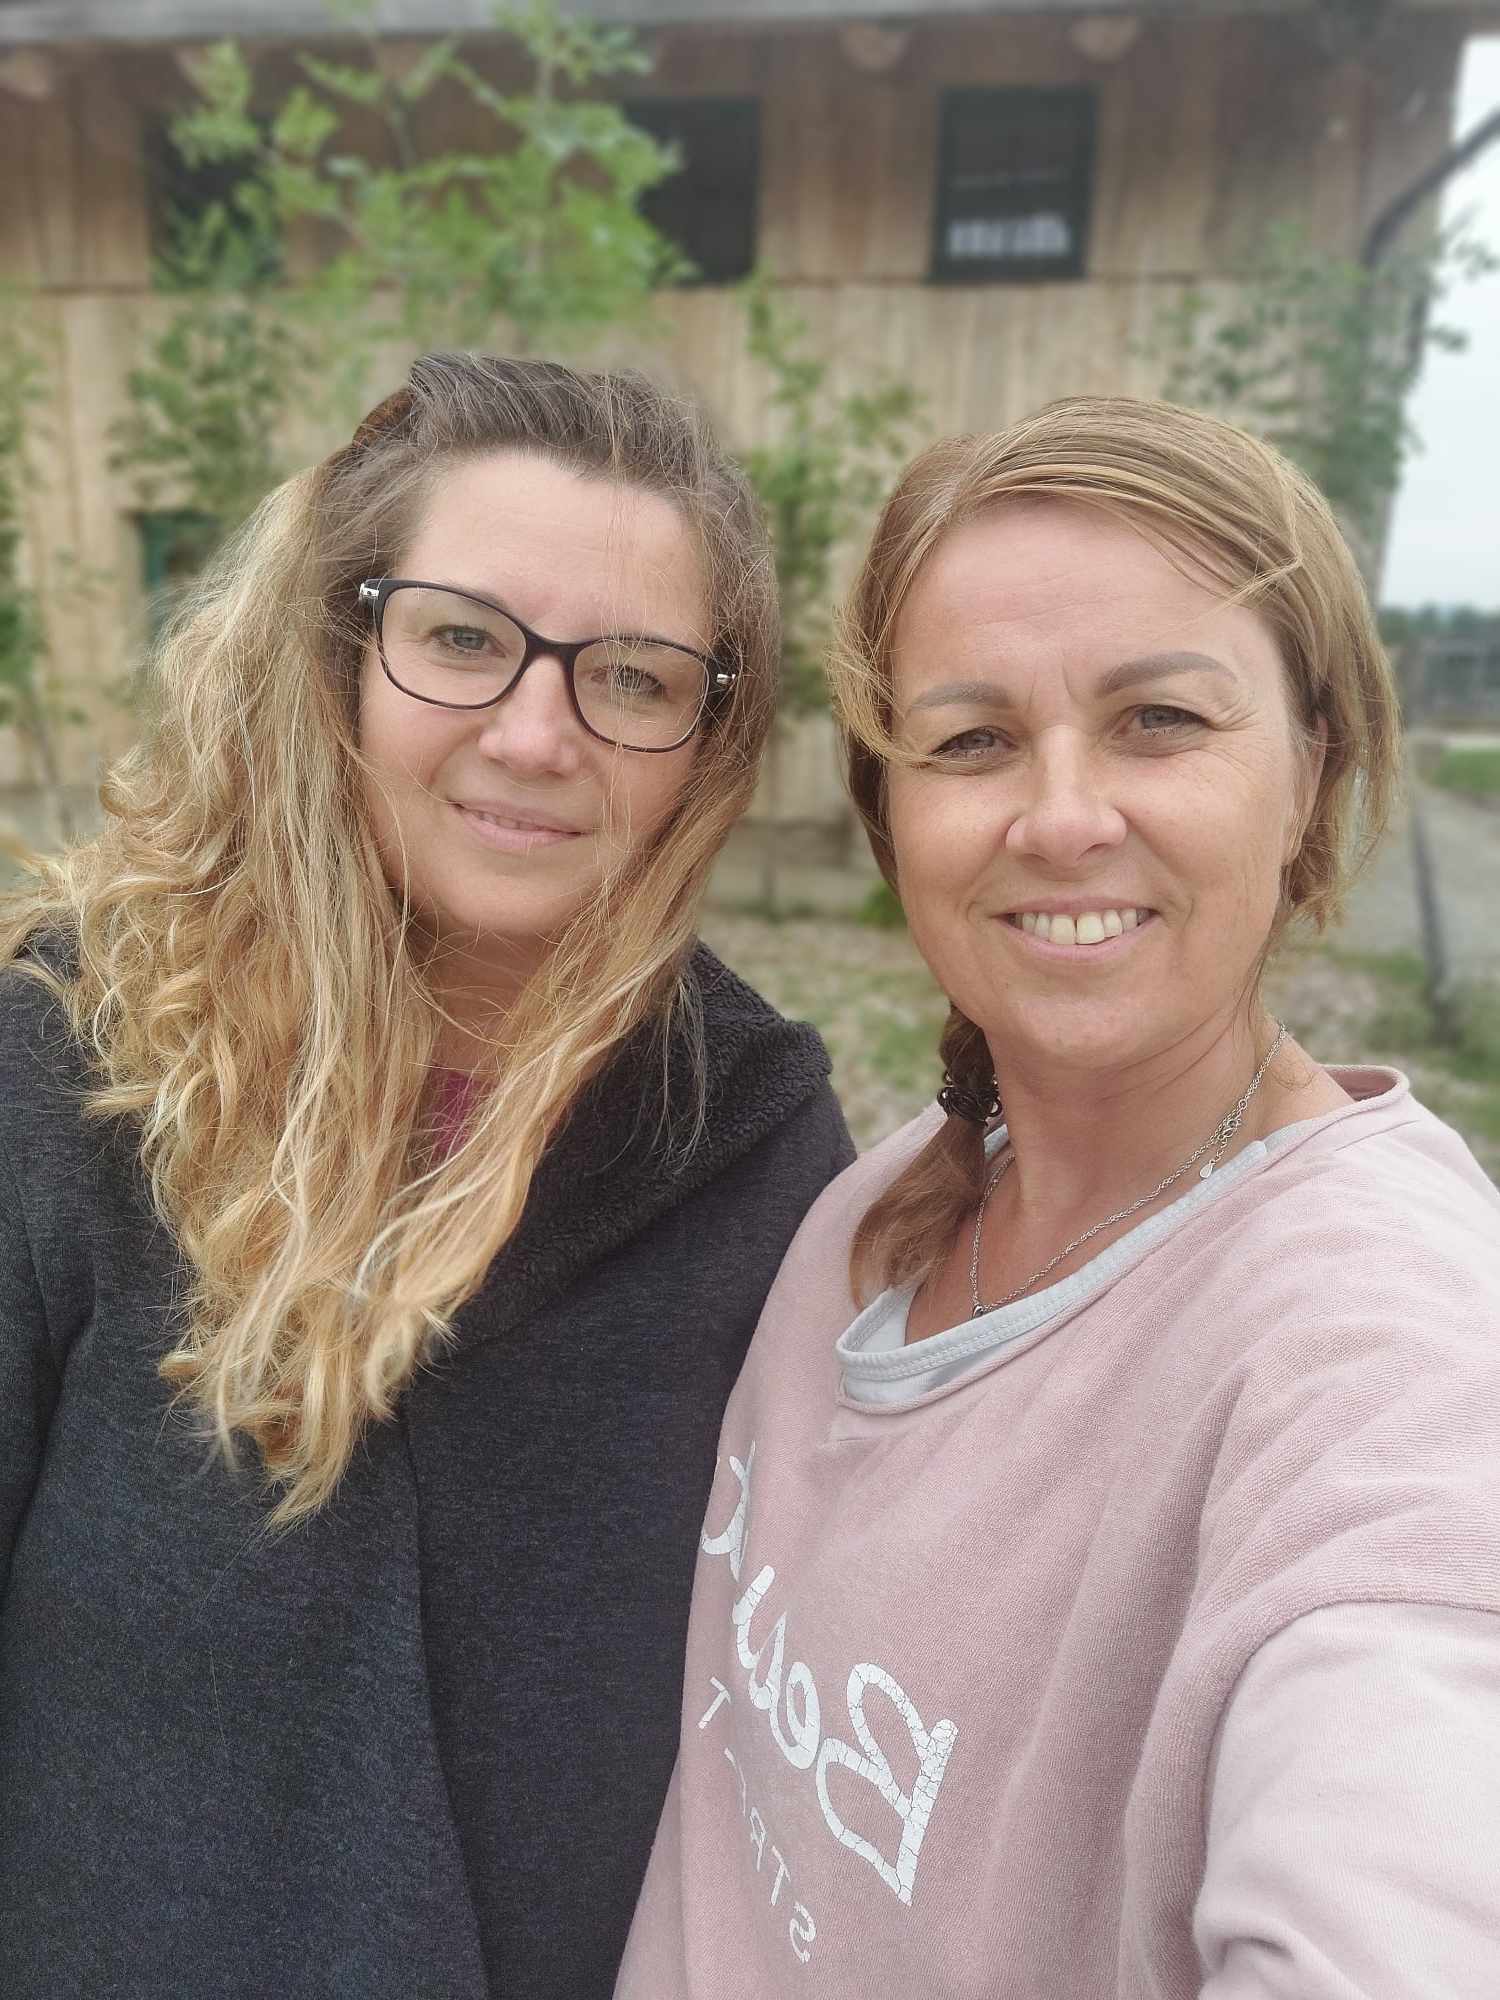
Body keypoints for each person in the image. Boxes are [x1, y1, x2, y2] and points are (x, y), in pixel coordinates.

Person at [618, 397, 1500, 1998]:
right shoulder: (867, 1218)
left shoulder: (1381, 1340)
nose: (1065, 815)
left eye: (1160, 718)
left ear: (1313, 766)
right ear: (890, 818)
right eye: (970, 741)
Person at [0, 351, 852, 2000]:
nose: (536, 735)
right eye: (461, 639)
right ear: (340, 651)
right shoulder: (76, 1060)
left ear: (709, 735)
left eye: (633, 676)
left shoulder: (755, 1149)